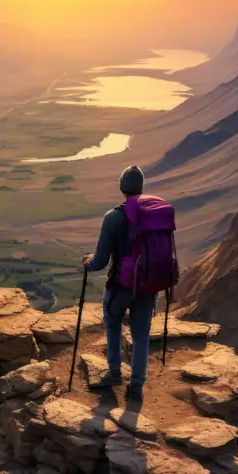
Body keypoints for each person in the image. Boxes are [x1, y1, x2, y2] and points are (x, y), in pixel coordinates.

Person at [83, 164, 156, 402]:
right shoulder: (155, 214)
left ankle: (114, 372)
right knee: (141, 334)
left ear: (122, 188)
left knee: (112, 322)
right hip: (147, 286)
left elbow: (100, 260)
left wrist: (88, 263)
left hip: (120, 285)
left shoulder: (114, 217)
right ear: (141, 188)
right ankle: (136, 386)